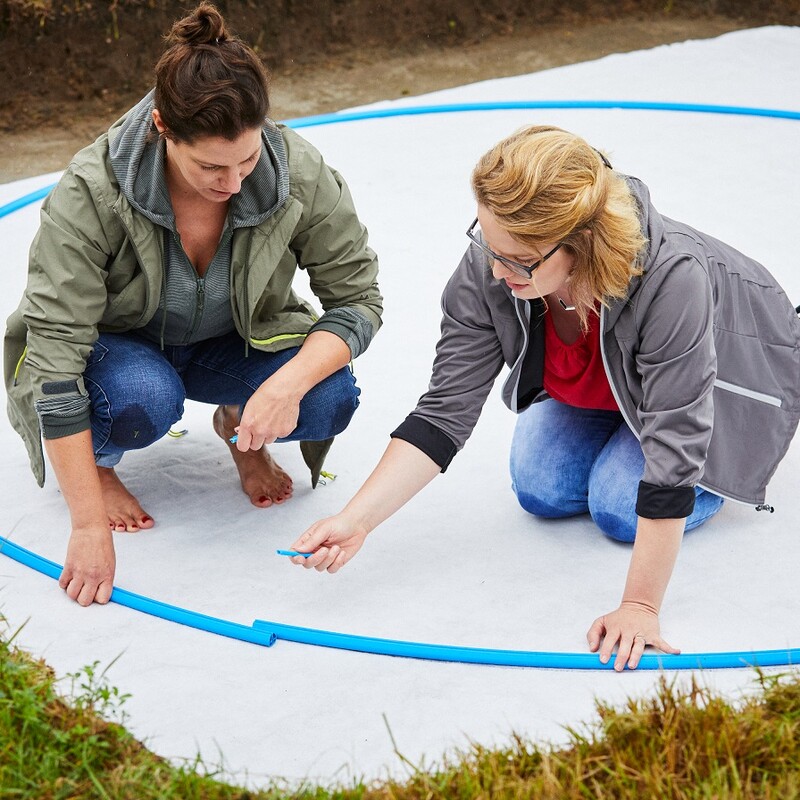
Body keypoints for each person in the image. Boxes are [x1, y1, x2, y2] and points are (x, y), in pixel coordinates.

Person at [286, 124, 800, 671]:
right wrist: (358, 520)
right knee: (540, 488)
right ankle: (622, 428)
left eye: (520, 261)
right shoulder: (497, 265)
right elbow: (444, 410)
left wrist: (640, 605)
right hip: (605, 388)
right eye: (488, 244)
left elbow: (675, 439)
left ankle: (716, 479)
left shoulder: (674, 279)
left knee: (618, 510)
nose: (496, 271)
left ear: (581, 244)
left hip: (716, 390)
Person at [3, 2, 382, 607]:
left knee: (328, 396)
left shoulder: (298, 170)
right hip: (116, 353)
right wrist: (86, 524)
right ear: (161, 127)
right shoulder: (91, 190)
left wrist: (284, 387)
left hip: (231, 339)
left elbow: (359, 298)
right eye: (210, 165)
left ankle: (240, 425)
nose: (233, 183)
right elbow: (54, 364)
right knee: (142, 400)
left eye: (249, 159)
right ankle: (99, 470)